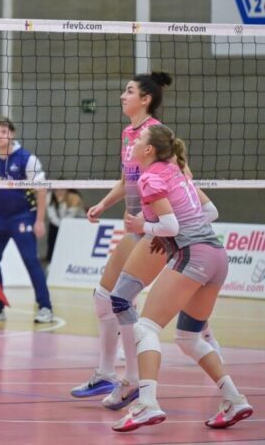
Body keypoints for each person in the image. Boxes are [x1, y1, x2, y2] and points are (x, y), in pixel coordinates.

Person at [72, 72, 222, 405]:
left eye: (129, 91)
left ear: (146, 99)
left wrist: (172, 222)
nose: (122, 96)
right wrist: (103, 203)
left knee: (119, 298)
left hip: (155, 230)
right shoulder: (129, 133)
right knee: (104, 297)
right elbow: (127, 179)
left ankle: (132, 380)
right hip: (138, 227)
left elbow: (182, 177)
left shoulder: (157, 134)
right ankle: (108, 374)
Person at [111, 125, 253, 432]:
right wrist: (183, 228)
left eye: (138, 140)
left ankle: (147, 404)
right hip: (217, 255)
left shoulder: (150, 177)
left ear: (149, 150)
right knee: (188, 337)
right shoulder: (176, 171)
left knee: (145, 327)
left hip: (194, 256)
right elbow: (211, 211)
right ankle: (234, 398)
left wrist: (143, 225)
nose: (132, 143)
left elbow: (171, 226)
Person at [0, 116, 54, 323]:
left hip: (23, 216)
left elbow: (41, 191)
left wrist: (40, 220)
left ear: (12, 134)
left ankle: (46, 307)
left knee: (31, 261)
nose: (0, 136)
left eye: (4, 132)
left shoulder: (26, 158)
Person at [45, 188, 83, 262]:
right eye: (57, 190)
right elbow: (52, 217)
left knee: (69, 233)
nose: (59, 192)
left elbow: (70, 217)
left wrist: (62, 203)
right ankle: (51, 256)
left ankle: (71, 255)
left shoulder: (74, 197)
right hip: (59, 222)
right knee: (53, 229)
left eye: (62, 190)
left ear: (67, 190)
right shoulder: (49, 197)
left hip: (76, 221)